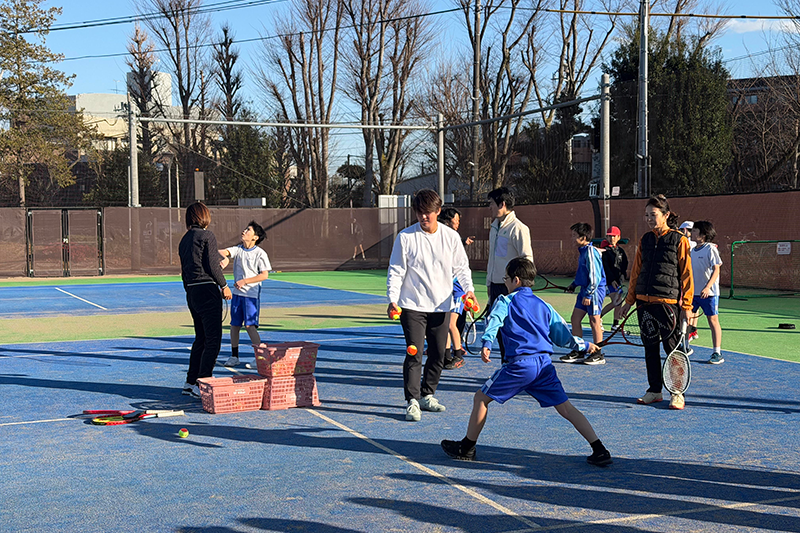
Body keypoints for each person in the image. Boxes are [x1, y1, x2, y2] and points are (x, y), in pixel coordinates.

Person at [440, 257, 612, 467]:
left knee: (481, 399)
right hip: (544, 366)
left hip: (519, 365)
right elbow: (563, 337)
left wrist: (486, 343)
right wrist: (585, 345)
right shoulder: (544, 306)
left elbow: (494, 321)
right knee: (566, 408)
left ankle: (466, 448)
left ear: (516, 280)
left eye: (506, 278)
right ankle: (599, 449)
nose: (505, 282)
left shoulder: (505, 300)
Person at [387, 189, 476, 422]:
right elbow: (396, 271)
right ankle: (412, 401)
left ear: (438, 211)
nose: (423, 217)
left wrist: (470, 291)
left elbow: (462, 269)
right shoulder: (405, 237)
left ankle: (428, 394)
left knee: (438, 354)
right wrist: (393, 299)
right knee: (414, 353)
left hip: (441, 305)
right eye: (419, 213)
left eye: (428, 213)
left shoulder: (450, 237)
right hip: (412, 306)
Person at [622, 195, 694, 410]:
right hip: (644, 303)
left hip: (668, 304)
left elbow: (687, 275)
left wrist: (687, 307)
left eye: (653, 215)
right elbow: (636, 272)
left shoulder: (679, 240)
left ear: (666, 215)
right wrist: (630, 299)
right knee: (650, 348)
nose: (649, 219)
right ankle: (654, 390)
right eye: (646, 215)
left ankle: (677, 392)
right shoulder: (645, 239)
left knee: (672, 349)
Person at [178, 202, 233, 399]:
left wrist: (190, 291)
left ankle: (190, 382)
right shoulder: (207, 235)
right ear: (204, 217)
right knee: (213, 340)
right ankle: (203, 382)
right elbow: (211, 265)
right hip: (207, 291)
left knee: (200, 339)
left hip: (192, 293)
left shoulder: (184, 240)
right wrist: (224, 285)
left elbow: (186, 271)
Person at [486, 187, 533, 363]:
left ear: (502, 204)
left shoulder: (519, 228)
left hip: (513, 288)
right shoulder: (494, 227)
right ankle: (507, 363)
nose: (489, 207)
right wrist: (489, 283)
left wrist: (522, 287)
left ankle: (517, 364)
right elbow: (493, 258)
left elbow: (526, 259)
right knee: (497, 327)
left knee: (513, 329)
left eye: (491, 203)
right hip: (496, 286)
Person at [218, 221, 272, 368]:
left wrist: (245, 281)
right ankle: (234, 356)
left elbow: (264, 275)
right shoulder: (238, 250)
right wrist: (225, 258)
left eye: (248, 230)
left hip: (251, 295)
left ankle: (260, 358)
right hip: (237, 295)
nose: (244, 231)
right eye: (245, 229)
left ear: (255, 237)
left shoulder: (260, 253)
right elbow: (221, 251)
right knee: (234, 325)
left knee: (249, 326)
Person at [560, 222, 607, 366]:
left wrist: (588, 294)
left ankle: (598, 353)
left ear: (584, 237)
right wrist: (573, 285)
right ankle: (580, 350)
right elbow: (582, 274)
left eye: (574, 235)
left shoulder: (591, 252)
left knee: (594, 321)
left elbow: (595, 276)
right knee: (575, 319)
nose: (571, 238)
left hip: (593, 291)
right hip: (584, 290)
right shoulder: (583, 251)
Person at [438, 207, 471, 370]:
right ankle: (446, 356)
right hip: (447, 288)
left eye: (458, 220)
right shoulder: (441, 235)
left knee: (451, 323)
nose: (458, 223)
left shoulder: (452, 237)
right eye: (456, 220)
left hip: (457, 289)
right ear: (448, 220)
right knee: (445, 324)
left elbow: (460, 265)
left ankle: (457, 354)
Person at [689, 220, 724, 364]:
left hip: (709, 294)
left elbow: (716, 269)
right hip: (693, 293)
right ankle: (685, 347)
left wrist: (708, 287)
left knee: (713, 321)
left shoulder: (710, 249)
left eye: (695, 231)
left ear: (703, 235)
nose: (692, 233)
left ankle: (717, 353)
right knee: (685, 318)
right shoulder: (692, 251)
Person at [599, 226, 629, 329]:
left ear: (618, 237)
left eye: (614, 236)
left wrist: (623, 275)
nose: (611, 238)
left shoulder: (620, 251)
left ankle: (615, 324)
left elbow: (624, 264)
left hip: (617, 280)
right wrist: (611, 280)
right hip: (607, 281)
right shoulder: (604, 250)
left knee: (618, 301)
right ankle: (598, 317)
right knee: (616, 300)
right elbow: (605, 266)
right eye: (609, 236)